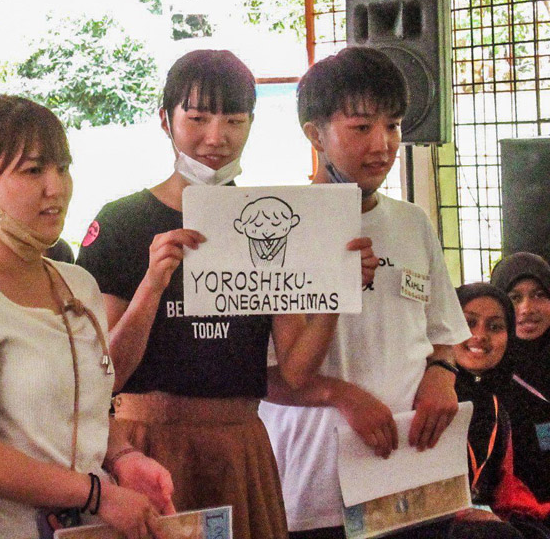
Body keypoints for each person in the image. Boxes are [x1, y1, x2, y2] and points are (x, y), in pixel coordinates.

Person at [76, 49, 377, 539]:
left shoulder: (270, 216)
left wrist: (336, 290)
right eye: (197, 118)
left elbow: (296, 371)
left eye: (234, 120)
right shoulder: (121, 224)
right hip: (145, 447)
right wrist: (152, 284)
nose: (216, 138)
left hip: (240, 446)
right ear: (166, 121)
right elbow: (102, 375)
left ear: (251, 124)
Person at [257, 47, 521, 539]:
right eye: (361, 127)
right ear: (315, 133)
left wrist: (442, 375)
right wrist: (343, 396)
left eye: (393, 126)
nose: (382, 145)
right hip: (313, 485)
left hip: (411, 477)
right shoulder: (274, 226)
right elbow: (256, 374)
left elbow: (442, 335)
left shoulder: (412, 222)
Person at [0, 95, 175, 539]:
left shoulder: (78, 285)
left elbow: (80, 410)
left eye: (62, 168)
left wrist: (124, 458)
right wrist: (97, 494)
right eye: (33, 170)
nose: (56, 188)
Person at [454, 282, 550, 539]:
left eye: (495, 326)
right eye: (468, 323)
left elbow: (503, 488)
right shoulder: (428, 396)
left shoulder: (493, 402)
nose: (480, 335)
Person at [490, 252, 550, 502]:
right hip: (509, 509)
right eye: (515, 298)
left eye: (539, 295)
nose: (527, 309)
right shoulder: (484, 369)